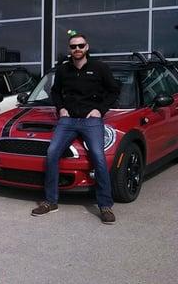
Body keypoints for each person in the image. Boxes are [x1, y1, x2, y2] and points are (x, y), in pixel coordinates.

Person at [31, 32, 120, 224]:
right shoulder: (63, 70)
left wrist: (100, 109)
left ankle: (105, 205)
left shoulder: (100, 68)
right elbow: (55, 91)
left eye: (80, 46)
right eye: (73, 47)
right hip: (68, 120)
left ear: (87, 47)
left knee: (98, 156)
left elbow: (114, 90)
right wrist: (61, 108)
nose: (77, 49)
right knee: (52, 152)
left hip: (91, 120)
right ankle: (50, 201)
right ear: (69, 49)